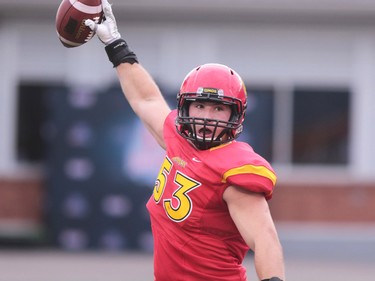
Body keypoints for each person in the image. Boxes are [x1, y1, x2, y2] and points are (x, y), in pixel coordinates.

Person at [85, 1, 285, 280]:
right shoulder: (180, 140)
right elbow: (146, 98)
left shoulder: (236, 167)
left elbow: (265, 240)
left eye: (218, 108)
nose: (207, 117)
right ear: (185, 108)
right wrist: (115, 45)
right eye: (200, 106)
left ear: (236, 115)